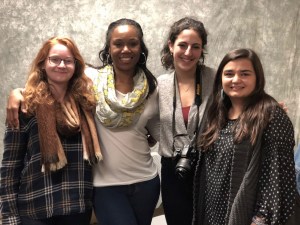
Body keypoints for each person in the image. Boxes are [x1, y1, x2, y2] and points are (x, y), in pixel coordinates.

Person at [5, 18, 160, 225]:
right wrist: (18, 93)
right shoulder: (92, 80)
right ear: (108, 47)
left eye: (133, 43)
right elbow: (55, 77)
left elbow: (158, 130)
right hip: (94, 189)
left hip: (138, 183)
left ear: (141, 47)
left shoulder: (150, 87)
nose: (125, 49)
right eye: (118, 43)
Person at [0, 36, 102, 225]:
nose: (61, 65)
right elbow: (10, 166)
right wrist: (9, 217)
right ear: (42, 63)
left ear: (76, 66)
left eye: (68, 61)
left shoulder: (86, 104)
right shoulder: (26, 105)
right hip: (36, 208)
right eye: (54, 59)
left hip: (78, 207)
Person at [193, 48, 298, 225]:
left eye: (244, 74)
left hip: (245, 216)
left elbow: (279, 180)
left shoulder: (272, 116)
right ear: (220, 78)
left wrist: (260, 220)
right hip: (212, 214)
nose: (236, 80)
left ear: (257, 78)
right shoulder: (215, 113)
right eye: (229, 74)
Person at [157, 17, 215, 225]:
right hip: (173, 169)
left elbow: (241, 106)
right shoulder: (160, 85)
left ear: (202, 51)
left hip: (209, 167)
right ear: (171, 46)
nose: (188, 52)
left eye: (195, 47)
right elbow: (149, 120)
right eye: (182, 45)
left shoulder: (216, 80)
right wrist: (157, 137)